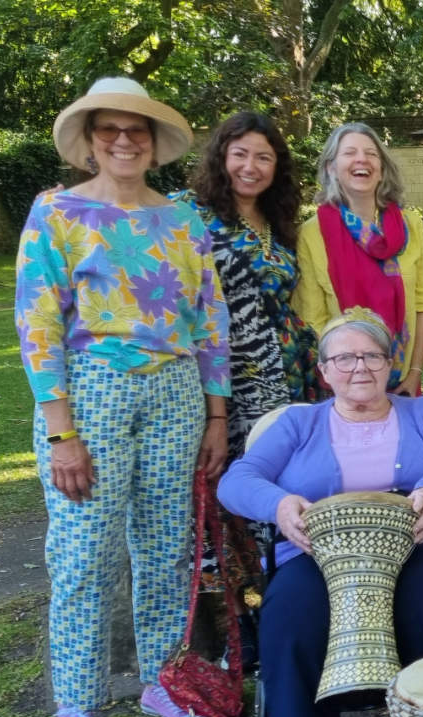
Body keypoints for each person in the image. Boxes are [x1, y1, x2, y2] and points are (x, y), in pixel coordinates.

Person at [15, 77, 229, 717]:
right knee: (82, 552)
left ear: (153, 142)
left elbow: (210, 321)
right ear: (90, 140)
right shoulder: (57, 213)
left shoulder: (184, 220)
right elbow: (38, 324)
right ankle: (75, 705)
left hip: (175, 392)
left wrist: (217, 414)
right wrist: (59, 430)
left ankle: (162, 683)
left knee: (166, 547)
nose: (124, 139)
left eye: (136, 129)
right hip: (91, 393)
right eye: (109, 128)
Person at [218, 309, 423, 717]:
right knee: (291, 608)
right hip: (318, 548)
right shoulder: (297, 424)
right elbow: (237, 480)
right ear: (324, 372)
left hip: (413, 539)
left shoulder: (422, 411)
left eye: (371, 356)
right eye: (344, 359)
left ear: (389, 364)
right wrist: (280, 506)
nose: (359, 367)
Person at [173, 111, 319, 457]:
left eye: (263, 157)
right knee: (228, 477)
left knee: (282, 476)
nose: (250, 167)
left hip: (287, 370)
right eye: (240, 154)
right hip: (221, 373)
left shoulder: (279, 221)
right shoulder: (186, 212)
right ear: (221, 157)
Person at [293, 123, 423, 396]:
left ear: (382, 168)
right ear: (330, 168)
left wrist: (414, 372)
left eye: (371, 153)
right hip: (343, 387)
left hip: (403, 383)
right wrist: (349, 380)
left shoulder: (412, 226)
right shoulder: (312, 234)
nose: (362, 159)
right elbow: (314, 320)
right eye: (350, 152)